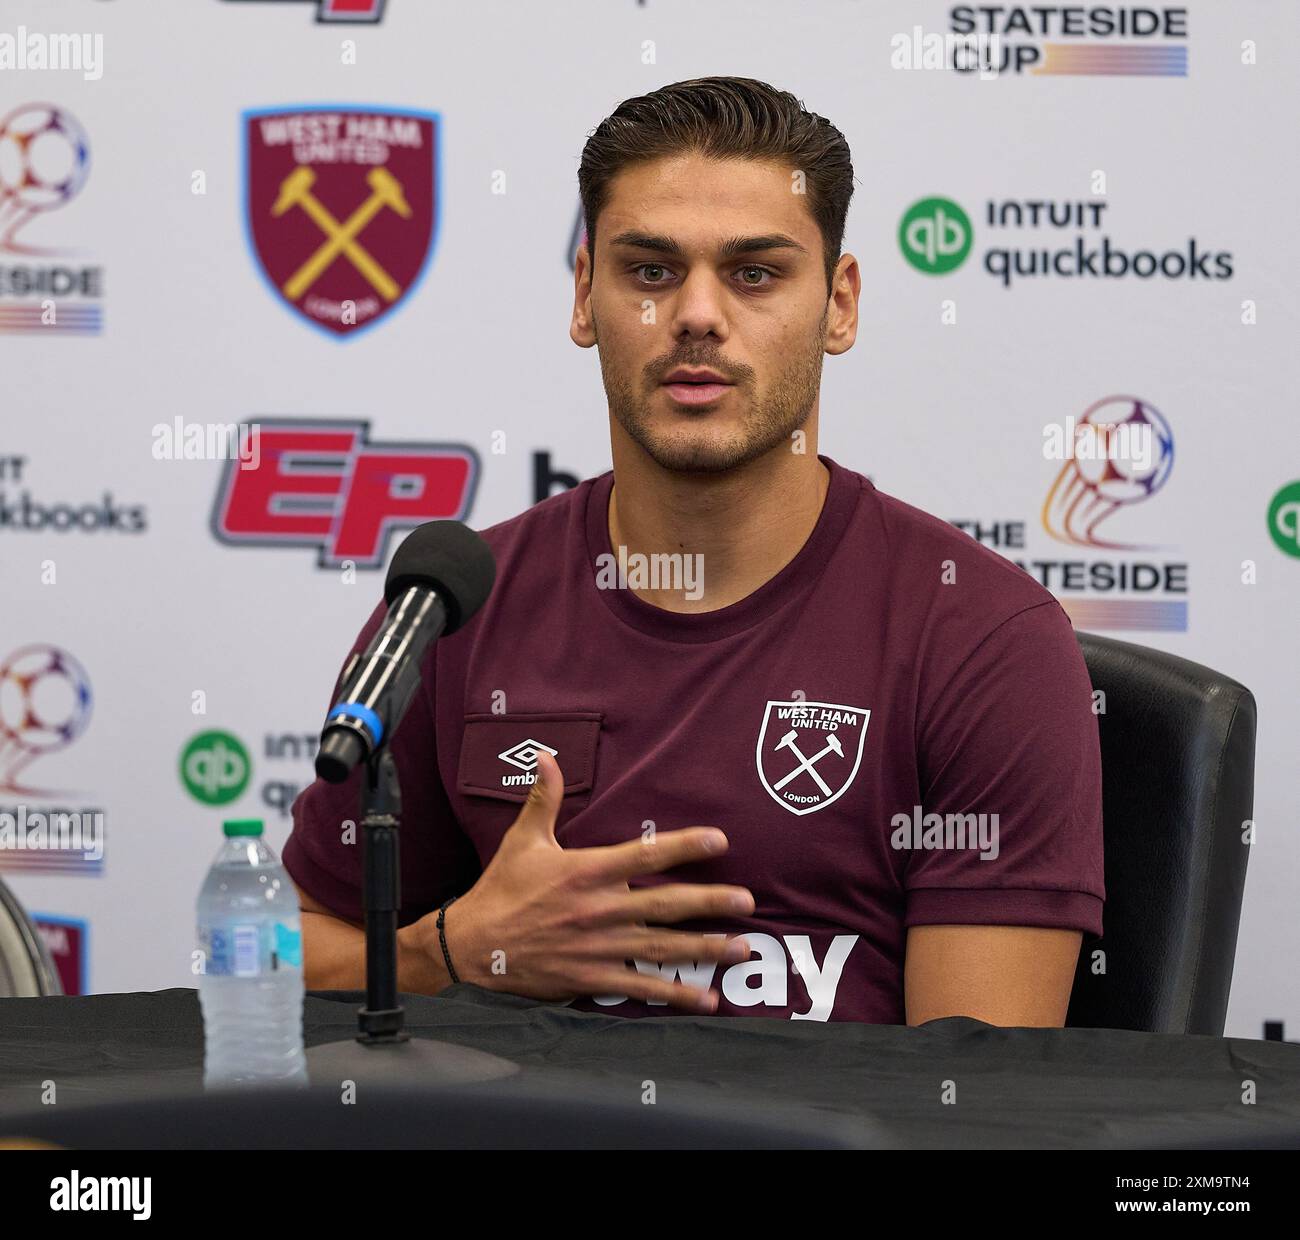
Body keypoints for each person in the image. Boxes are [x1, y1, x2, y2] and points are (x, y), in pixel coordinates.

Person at [284, 76, 1104, 1025]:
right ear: (585, 294)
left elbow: (978, 1105)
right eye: (650, 271)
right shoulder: (457, 608)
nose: (698, 315)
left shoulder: (980, 637)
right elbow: (269, 954)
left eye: (756, 272)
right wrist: (459, 951)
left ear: (839, 305)